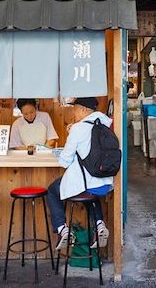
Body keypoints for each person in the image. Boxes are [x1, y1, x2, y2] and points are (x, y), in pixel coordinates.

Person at [46, 97, 112, 251]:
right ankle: (99, 224)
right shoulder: (105, 123)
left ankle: (63, 229)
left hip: (87, 183)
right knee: (90, 195)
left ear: (83, 110)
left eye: (75, 109)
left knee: (53, 190)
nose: (73, 113)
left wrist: (72, 135)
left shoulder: (78, 128)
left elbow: (65, 161)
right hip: (105, 183)